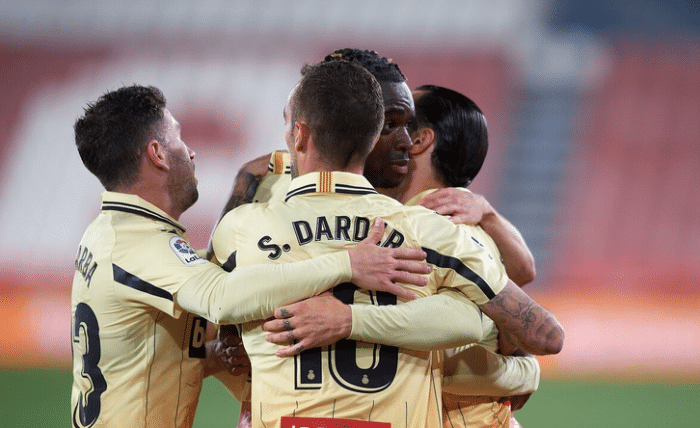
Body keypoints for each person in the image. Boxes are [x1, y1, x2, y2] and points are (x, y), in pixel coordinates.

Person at [211, 59, 562, 426]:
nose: (405, 141)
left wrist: (347, 319)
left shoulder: (434, 224)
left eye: (407, 125)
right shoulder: (425, 229)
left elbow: (523, 318)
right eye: (390, 124)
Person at [70, 84, 431, 428]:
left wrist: (216, 355)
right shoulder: (141, 245)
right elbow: (222, 298)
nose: (191, 152)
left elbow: (141, 356)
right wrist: (346, 263)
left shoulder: (111, 233)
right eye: (178, 138)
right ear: (157, 154)